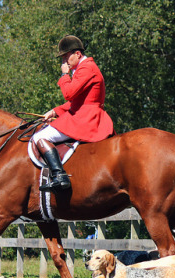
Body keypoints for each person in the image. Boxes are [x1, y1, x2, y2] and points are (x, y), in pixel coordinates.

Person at [33, 35, 115, 192]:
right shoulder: (84, 68)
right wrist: (54, 111)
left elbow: (69, 94)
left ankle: (59, 176)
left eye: (66, 56)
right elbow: (76, 101)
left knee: (39, 137)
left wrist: (64, 75)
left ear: (77, 54)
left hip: (86, 117)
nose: (64, 61)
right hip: (82, 112)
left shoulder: (87, 68)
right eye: (63, 58)